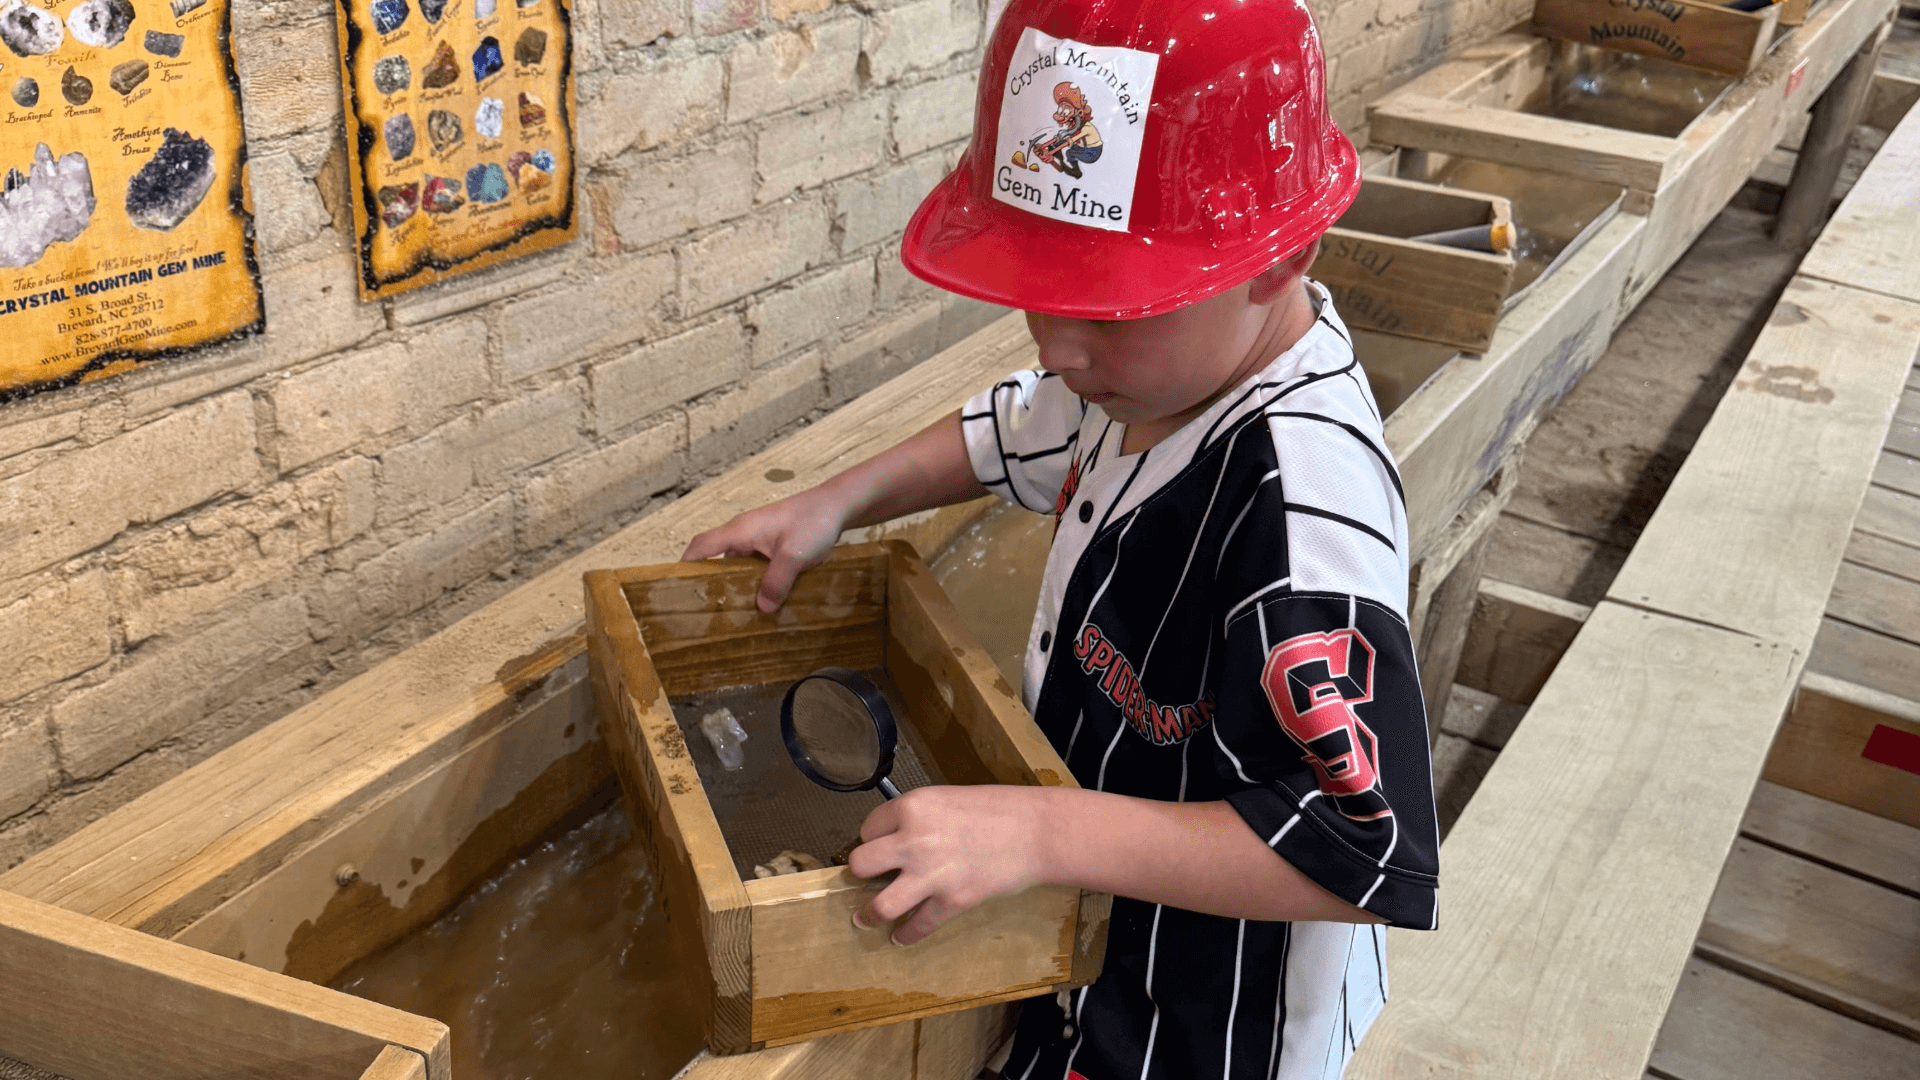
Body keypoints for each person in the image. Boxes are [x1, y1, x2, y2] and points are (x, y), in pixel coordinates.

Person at [682, 1, 1439, 1076]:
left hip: (1215, 1018)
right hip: (1104, 929)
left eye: (1114, 309)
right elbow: (1010, 431)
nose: (1064, 351)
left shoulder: (1302, 515)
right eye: (1045, 298)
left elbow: (1356, 848)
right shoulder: (1151, 371)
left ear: (1281, 256)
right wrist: (838, 501)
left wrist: (1036, 833)